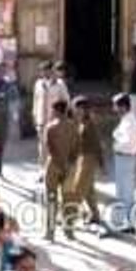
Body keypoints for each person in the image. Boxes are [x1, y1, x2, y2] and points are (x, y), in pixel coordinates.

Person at [43, 99, 79, 241]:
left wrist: (59, 163)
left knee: (52, 199)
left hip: (54, 166)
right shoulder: (73, 126)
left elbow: (50, 148)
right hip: (69, 167)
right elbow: (76, 148)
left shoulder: (51, 127)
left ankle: (50, 232)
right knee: (68, 199)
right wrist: (69, 163)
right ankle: (69, 231)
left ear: (56, 110)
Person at [68, 96, 104, 235]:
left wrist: (101, 164)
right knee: (89, 191)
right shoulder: (81, 122)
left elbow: (97, 145)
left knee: (78, 189)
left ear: (83, 109)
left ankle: (69, 218)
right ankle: (95, 216)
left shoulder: (89, 125)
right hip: (82, 158)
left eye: (77, 108)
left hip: (88, 159)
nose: (75, 110)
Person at [110, 93, 136, 234]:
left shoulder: (130, 122)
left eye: (116, 105)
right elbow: (116, 134)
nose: (114, 108)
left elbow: (127, 143)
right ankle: (122, 221)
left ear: (122, 106)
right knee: (123, 191)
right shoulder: (126, 120)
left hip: (126, 158)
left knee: (125, 193)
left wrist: (116, 145)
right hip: (123, 158)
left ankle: (128, 223)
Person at [31, 62, 54, 172]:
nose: (45, 73)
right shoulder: (38, 84)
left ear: (51, 70)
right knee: (42, 146)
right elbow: (35, 100)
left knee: (53, 146)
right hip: (41, 119)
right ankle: (42, 170)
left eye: (47, 70)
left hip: (53, 120)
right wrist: (34, 115)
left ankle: (52, 170)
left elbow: (66, 101)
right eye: (43, 70)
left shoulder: (58, 84)